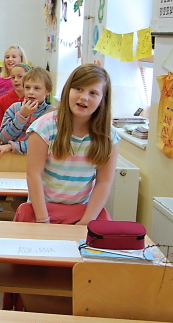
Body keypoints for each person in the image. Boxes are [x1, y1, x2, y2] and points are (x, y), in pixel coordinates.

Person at [18, 64, 119, 225]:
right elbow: (34, 175)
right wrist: (43, 219)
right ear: (67, 91)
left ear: (102, 100)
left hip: (82, 212)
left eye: (93, 93)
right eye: (78, 89)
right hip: (42, 210)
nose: (84, 97)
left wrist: (86, 222)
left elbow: (104, 182)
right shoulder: (44, 127)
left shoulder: (109, 136)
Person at [0, 67, 54, 156]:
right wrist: (21, 116)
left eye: (36, 88)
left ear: (48, 91)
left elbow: (44, 144)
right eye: (27, 87)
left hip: (36, 160)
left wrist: (12, 146)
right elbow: (4, 138)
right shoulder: (14, 108)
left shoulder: (51, 113)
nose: (31, 92)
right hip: (10, 159)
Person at [0, 62, 31, 134]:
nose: (15, 80)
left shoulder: (33, 100)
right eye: (13, 77)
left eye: (20, 76)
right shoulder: (2, 100)